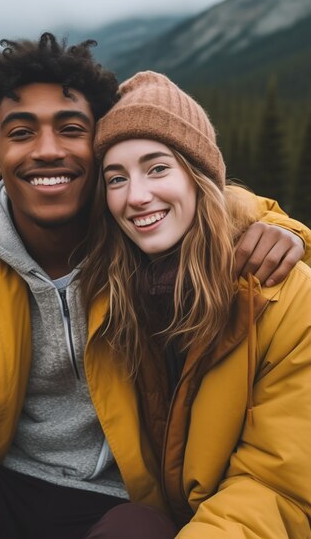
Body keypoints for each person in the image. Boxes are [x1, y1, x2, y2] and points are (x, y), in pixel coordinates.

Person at [0, 35, 309, 539]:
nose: (47, 150)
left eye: (70, 129)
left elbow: (206, 205)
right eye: (21, 132)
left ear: (94, 147)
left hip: (118, 506)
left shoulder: (135, 243)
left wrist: (282, 228)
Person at [81, 70, 311, 538]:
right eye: (116, 178)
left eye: (158, 167)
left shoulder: (279, 290)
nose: (137, 196)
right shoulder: (107, 289)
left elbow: (277, 484)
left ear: (199, 175)